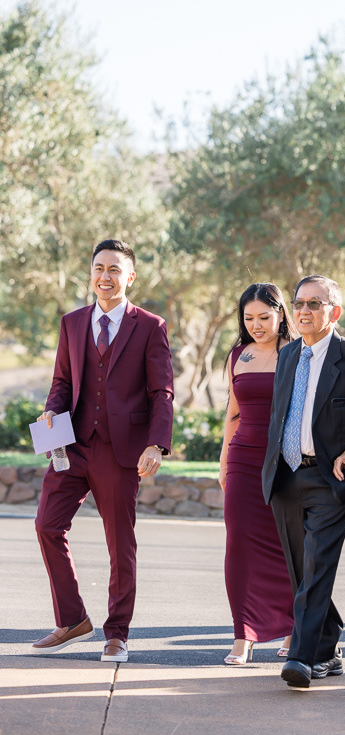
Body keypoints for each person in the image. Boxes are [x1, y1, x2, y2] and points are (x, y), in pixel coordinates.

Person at [32, 239, 174, 663]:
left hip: (120, 451)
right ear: (90, 273)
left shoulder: (150, 325)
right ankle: (73, 619)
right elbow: (62, 382)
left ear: (130, 277)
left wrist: (156, 443)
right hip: (71, 444)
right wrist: (50, 412)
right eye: (98, 268)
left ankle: (117, 633)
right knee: (46, 526)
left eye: (114, 269)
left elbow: (161, 390)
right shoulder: (72, 322)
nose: (105, 276)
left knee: (120, 545)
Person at [262, 274, 345, 688]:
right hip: (285, 477)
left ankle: (302, 656)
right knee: (302, 571)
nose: (304, 311)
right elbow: (279, 417)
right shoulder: (287, 356)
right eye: (299, 303)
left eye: (315, 304)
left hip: (332, 481)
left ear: (334, 311)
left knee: (316, 567)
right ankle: (329, 648)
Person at [219, 283, 296, 665]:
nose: (257, 325)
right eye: (249, 319)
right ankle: (243, 634)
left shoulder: (297, 353)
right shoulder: (239, 354)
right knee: (239, 546)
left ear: (281, 314)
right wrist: (223, 463)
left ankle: (292, 626)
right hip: (243, 460)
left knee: (287, 546)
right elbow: (232, 413)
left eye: (264, 317)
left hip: (286, 462)